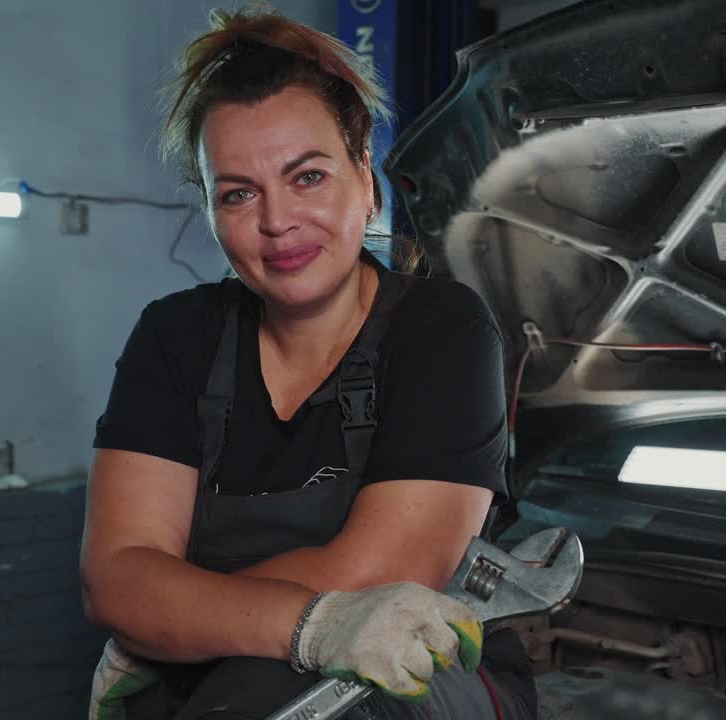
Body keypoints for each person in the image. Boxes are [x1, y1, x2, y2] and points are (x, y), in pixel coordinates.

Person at [79, 6, 537, 720]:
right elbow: (116, 578)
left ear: (364, 175)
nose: (277, 221)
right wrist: (150, 603)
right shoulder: (175, 337)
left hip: (416, 671)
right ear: (207, 209)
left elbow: (377, 574)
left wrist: (171, 616)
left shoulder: (442, 329)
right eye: (238, 193)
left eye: (308, 176)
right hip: (216, 679)